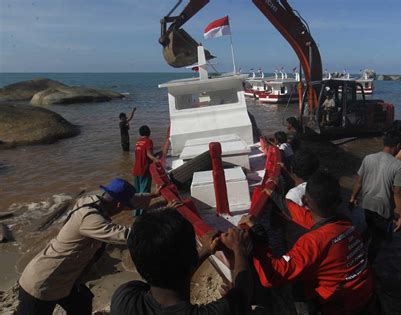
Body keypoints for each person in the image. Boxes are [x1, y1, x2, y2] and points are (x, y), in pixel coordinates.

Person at [17, 178, 158, 315]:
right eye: (125, 206)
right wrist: (160, 224)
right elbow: (128, 236)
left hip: (67, 278)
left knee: (82, 302)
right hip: (44, 281)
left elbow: (132, 200)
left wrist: (155, 194)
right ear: (119, 205)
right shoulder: (91, 220)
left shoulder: (91, 200)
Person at [241, 172, 375, 314]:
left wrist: (259, 237)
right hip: (366, 294)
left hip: (342, 305)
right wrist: (277, 199)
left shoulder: (313, 242)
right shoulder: (345, 223)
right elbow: (306, 217)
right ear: (338, 202)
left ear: (305, 201)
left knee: (297, 287)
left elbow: (273, 276)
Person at [110, 208, 253, 315]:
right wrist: (239, 248)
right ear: (192, 258)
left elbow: (170, 276)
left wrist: (205, 250)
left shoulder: (123, 297)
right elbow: (242, 293)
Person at [350, 131, 401, 263]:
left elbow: (359, 181)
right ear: (397, 146)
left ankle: (354, 251)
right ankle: (368, 265)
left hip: (367, 203)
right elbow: (398, 193)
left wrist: (353, 198)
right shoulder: (399, 166)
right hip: (383, 207)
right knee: (377, 239)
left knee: (370, 228)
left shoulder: (368, 158)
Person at [132, 125, 159, 216]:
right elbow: (148, 155)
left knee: (137, 193)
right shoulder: (148, 141)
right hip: (144, 170)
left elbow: (142, 155)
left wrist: (155, 155)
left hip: (136, 170)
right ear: (149, 132)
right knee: (145, 193)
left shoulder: (138, 142)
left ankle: (136, 213)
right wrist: (156, 160)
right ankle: (142, 214)